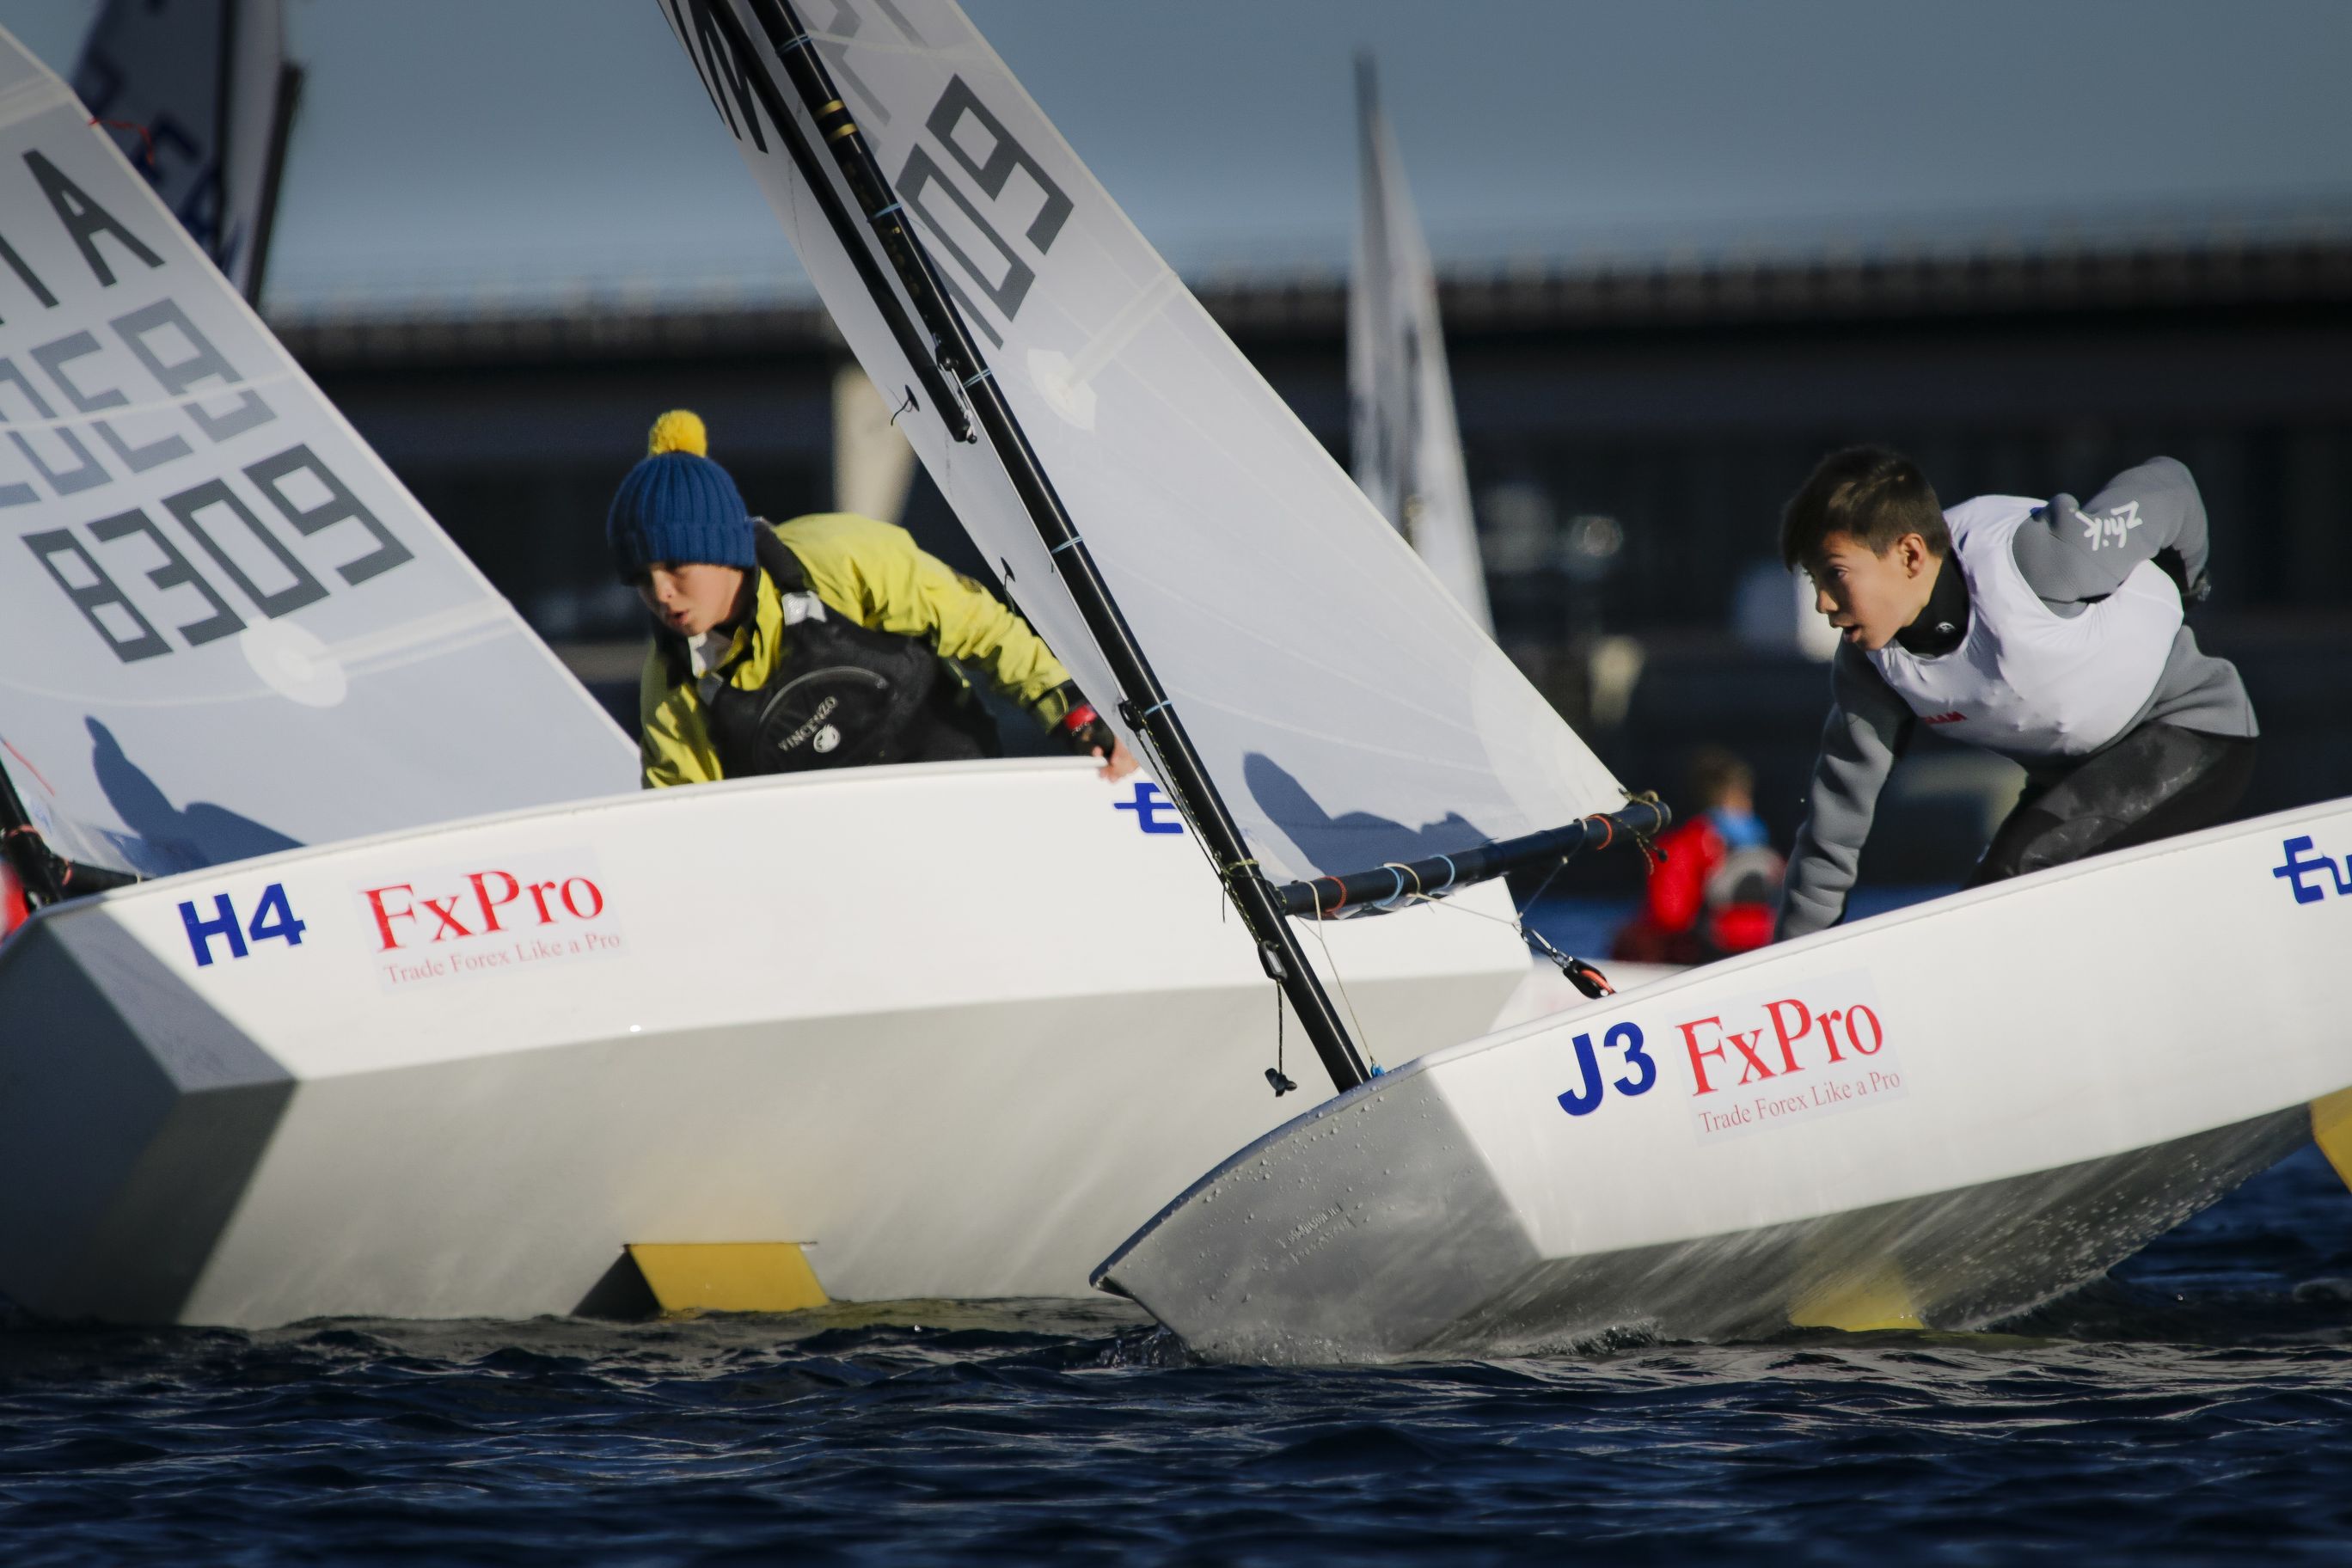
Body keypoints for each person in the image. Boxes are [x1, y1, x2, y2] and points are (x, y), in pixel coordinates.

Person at [1775, 446, 2256, 939]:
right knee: (1980, 910)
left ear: (1910, 555)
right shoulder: (1871, 667)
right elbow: (1834, 824)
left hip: (2195, 733)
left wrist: (2188, 589)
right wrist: (1790, 965)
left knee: (2010, 889)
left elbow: (2171, 486)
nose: (1823, 604)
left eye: (1835, 573)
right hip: (2070, 781)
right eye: (1815, 579)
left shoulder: (2039, 556)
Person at [611, 410, 1137, 787]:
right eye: (642, 578)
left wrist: (1078, 713)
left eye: (676, 568)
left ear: (724, 551)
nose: (660, 593)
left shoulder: (840, 557)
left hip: (953, 785)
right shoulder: (673, 683)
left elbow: (980, 627)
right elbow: (689, 815)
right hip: (830, 865)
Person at [1614, 746, 1785, 964]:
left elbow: (1668, 916)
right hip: (1765, 949)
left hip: (1703, 955)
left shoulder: (1681, 845)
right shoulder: (1761, 841)